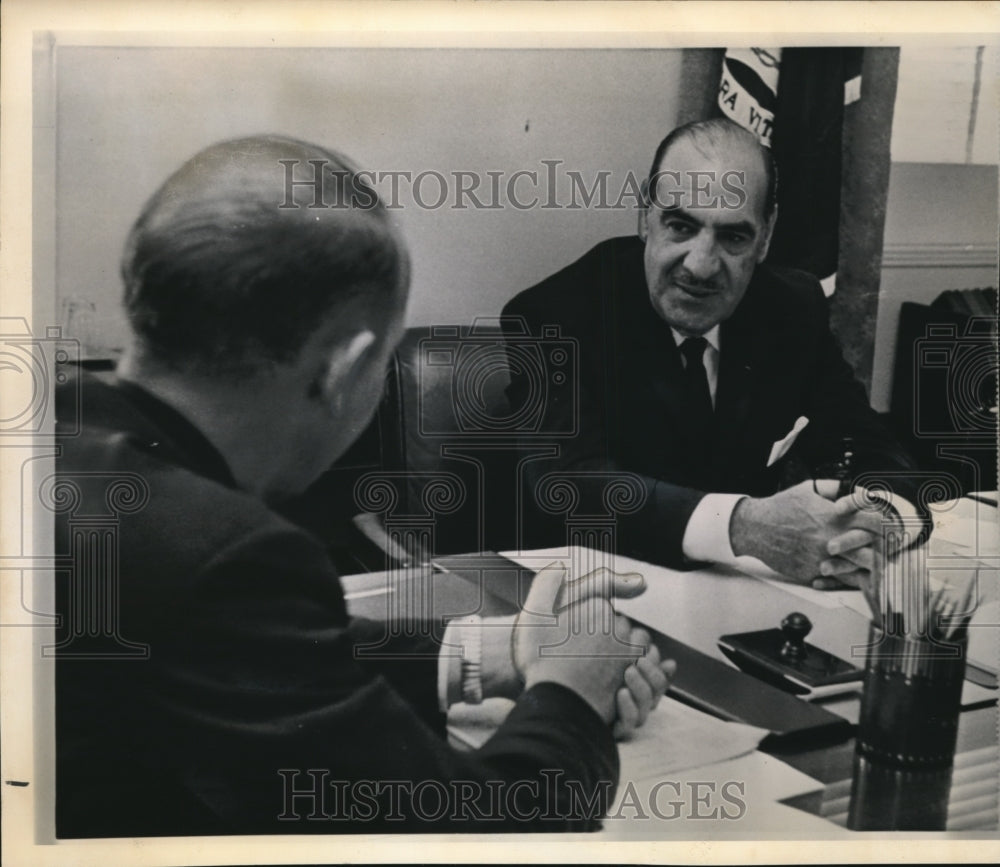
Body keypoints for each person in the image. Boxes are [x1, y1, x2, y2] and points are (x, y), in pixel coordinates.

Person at [53, 135, 674, 837]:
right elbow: (483, 831)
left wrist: (486, 654)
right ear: (343, 371)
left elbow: (246, 654)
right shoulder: (227, 554)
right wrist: (571, 692)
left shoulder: (57, 436)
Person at [503, 118, 922, 590]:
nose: (700, 266)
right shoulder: (556, 314)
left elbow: (868, 443)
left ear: (765, 237)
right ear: (645, 216)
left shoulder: (792, 307)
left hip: (736, 597)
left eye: (733, 237)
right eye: (680, 226)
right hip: (584, 595)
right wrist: (743, 525)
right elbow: (569, 485)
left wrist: (879, 519)